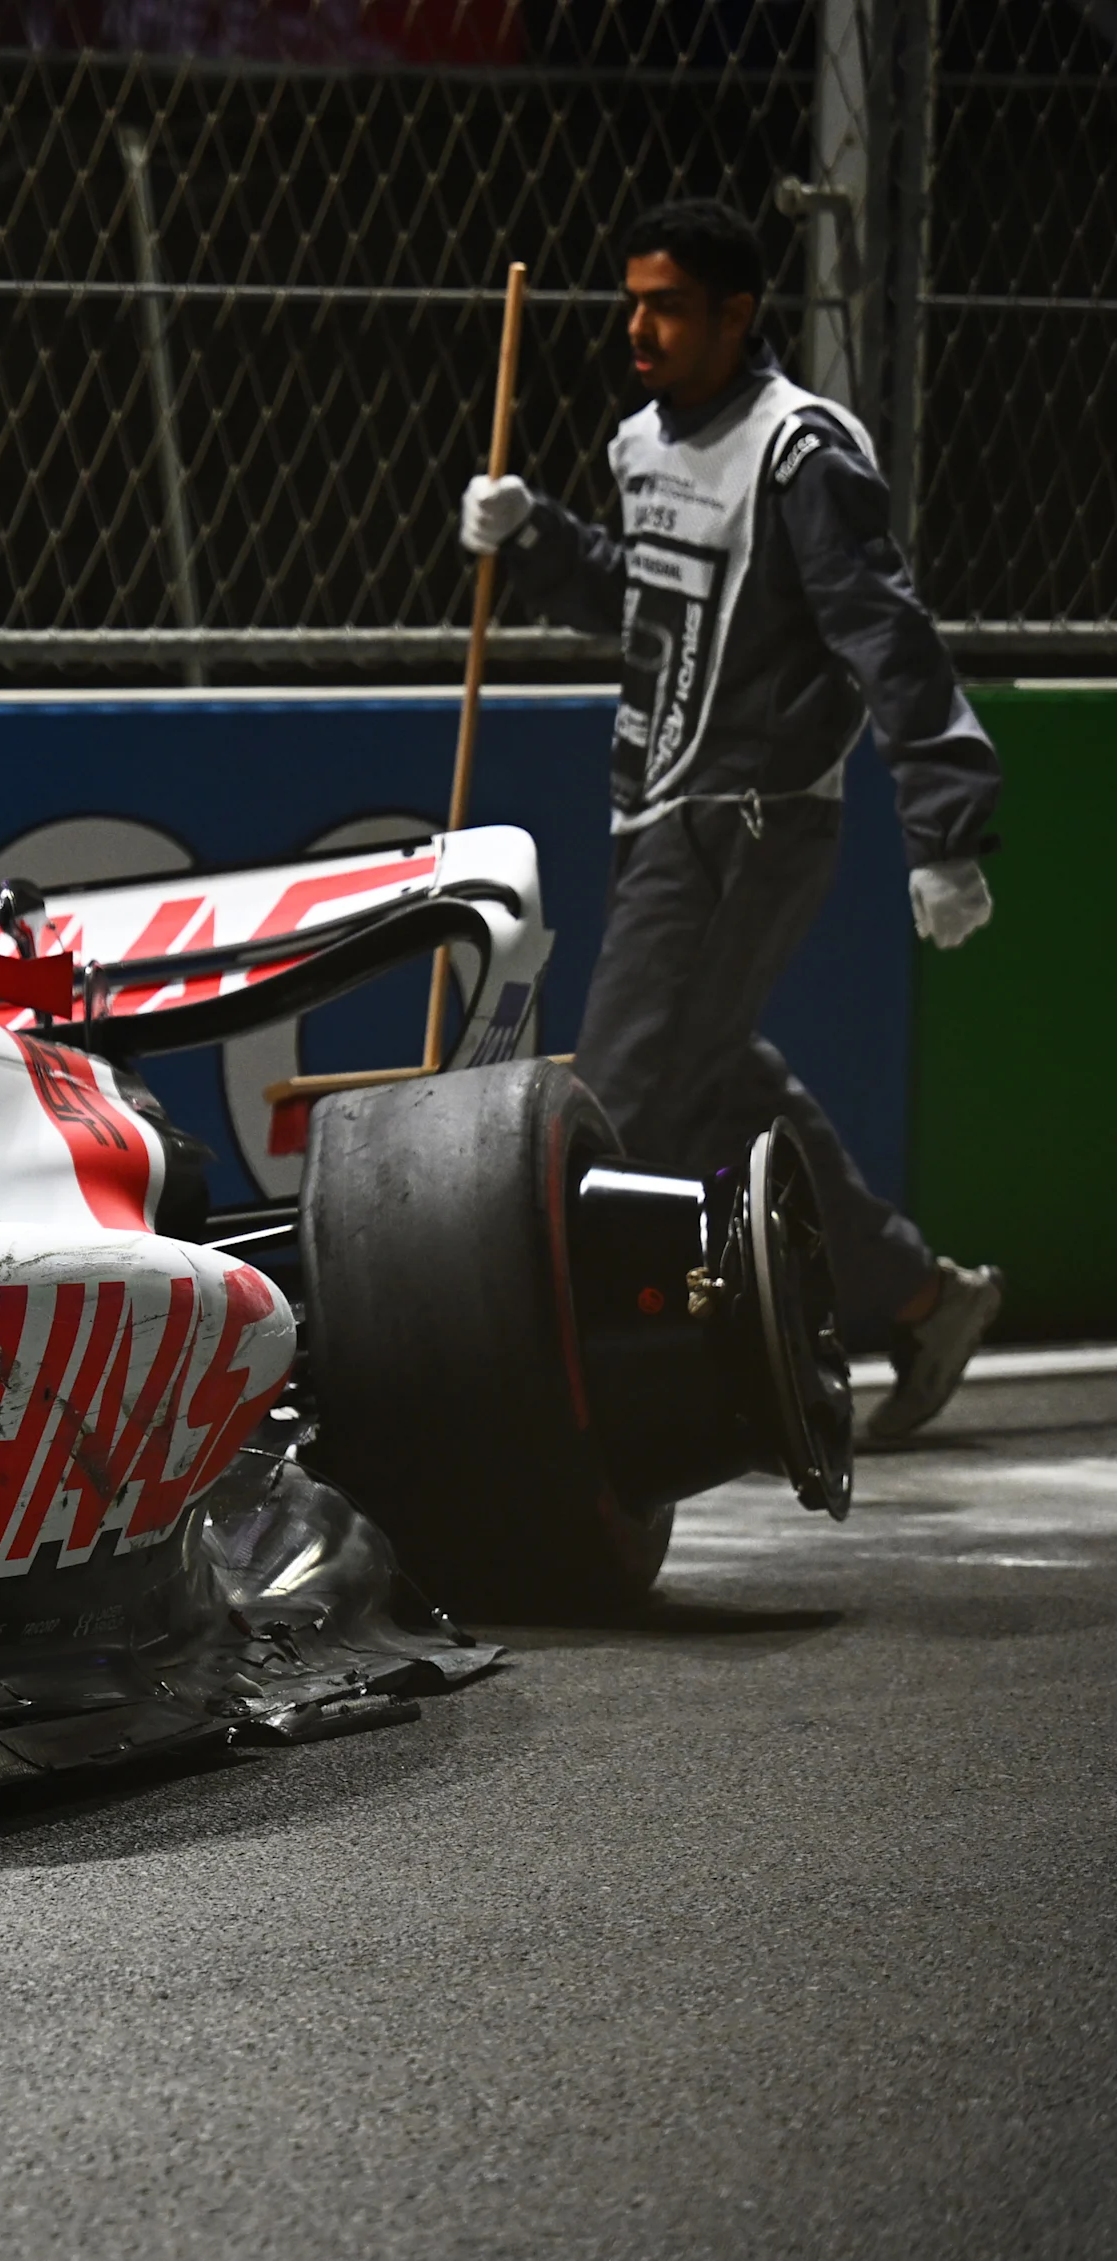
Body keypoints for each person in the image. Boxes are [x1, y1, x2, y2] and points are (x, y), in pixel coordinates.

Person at [461, 196, 1003, 1444]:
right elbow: (639, 597)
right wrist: (537, 537)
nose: (637, 328)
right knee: (717, 1092)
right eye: (630, 300)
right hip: (654, 814)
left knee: (622, 1109)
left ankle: (580, 1408)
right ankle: (920, 1297)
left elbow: (885, 634)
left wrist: (943, 827)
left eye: (664, 306)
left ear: (735, 314)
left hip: (744, 824)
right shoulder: (642, 443)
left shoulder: (800, 454)